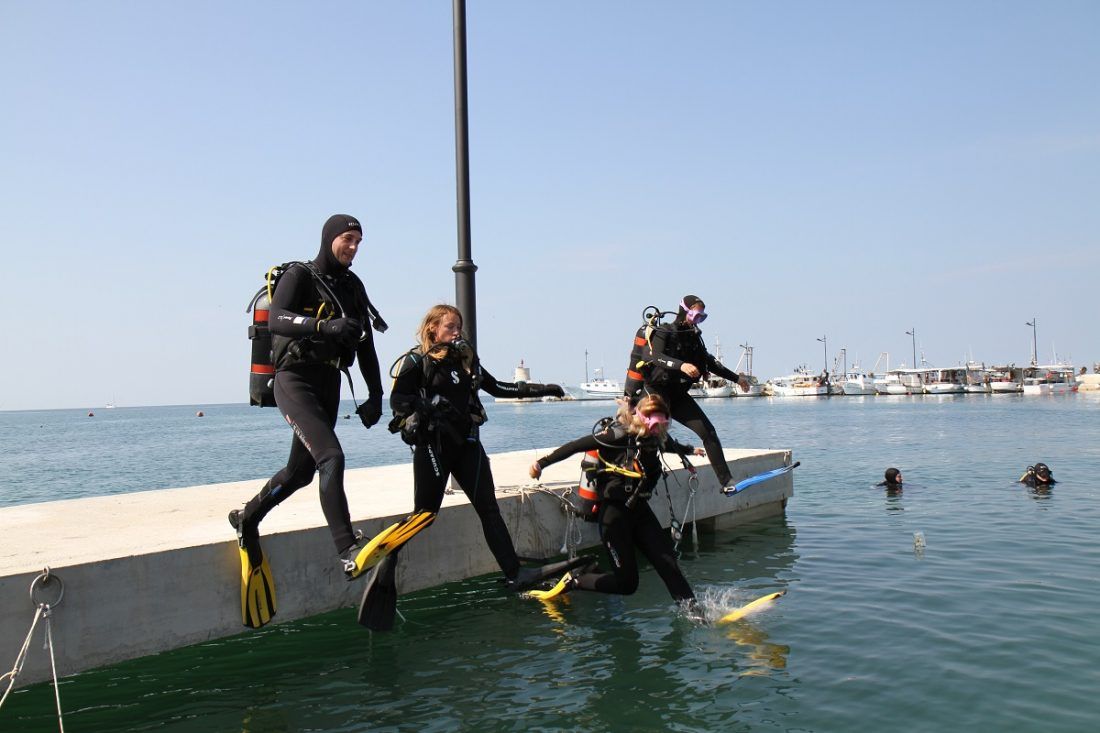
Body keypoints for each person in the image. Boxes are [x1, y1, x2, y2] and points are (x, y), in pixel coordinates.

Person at [356, 304, 572, 606]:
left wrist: (543, 389)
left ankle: (515, 574)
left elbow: (499, 388)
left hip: (468, 444)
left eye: (459, 327)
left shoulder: (466, 362)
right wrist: (429, 404)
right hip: (435, 445)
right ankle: (384, 561)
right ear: (433, 328)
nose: (457, 332)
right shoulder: (417, 360)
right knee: (425, 515)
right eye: (450, 327)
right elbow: (398, 399)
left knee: (489, 509)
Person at [229, 214, 385, 628]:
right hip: (293, 380)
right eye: (347, 239)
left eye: (358, 241)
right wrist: (323, 324)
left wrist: (376, 393)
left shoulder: (352, 287)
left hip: (329, 382)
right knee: (331, 456)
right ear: (330, 238)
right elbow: (277, 317)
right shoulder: (299, 275)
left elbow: (365, 345)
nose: (353, 247)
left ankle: (248, 518)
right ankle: (347, 551)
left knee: (299, 472)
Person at [526, 394, 705, 611]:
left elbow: (667, 444)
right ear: (641, 419)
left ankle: (694, 613)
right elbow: (575, 445)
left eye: (663, 425)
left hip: (640, 511)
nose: (658, 430)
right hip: (614, 515)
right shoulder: (617, 436)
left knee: (669, 566)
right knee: (627, 585)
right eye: (655, 425)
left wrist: (689, 450)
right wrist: (541, 463)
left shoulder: (656, 437)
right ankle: (575, 581)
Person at [626, 295, 750, 493]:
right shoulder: (664, 331)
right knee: (647, 435)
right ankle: (630, 471)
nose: (698, 320)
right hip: (656, 392)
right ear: (685, 310)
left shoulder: (694, 337)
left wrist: (737, 379)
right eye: (696, 315)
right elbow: (653, 356)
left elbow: (710, 363)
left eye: (702, 317)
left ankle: (726, 482)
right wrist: (681, 365)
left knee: (708, 432)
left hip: (678, 395)